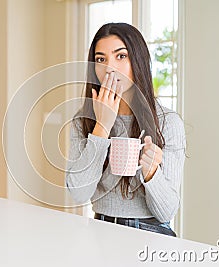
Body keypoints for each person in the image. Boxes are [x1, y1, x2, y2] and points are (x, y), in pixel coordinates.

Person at [65, 23, 185, 237]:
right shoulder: (82, 121)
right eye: (101, 59)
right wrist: (102, 127)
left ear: (138, 61)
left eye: (121, 56)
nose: (109, 68)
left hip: (150, 233)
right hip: (100, 230)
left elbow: (167, 211)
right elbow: (78, 193)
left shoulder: (168, 122)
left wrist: (151, 173)